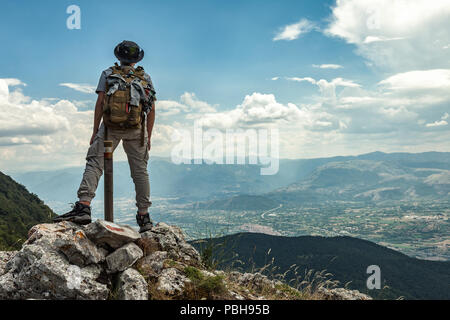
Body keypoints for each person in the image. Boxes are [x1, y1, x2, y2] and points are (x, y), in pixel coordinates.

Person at [53, 40, 156, 233]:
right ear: (136, 59)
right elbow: (151, 110)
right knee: (140, 171)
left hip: (110, 128)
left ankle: (84, 205)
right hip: (136, 130)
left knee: (95, 162)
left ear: (118, 56)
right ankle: (144, 216)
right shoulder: (145, 78)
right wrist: (148, 136)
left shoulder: (108, 74)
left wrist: (94, 131)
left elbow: (100, 103)